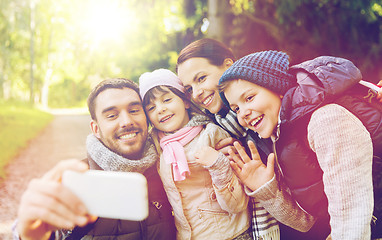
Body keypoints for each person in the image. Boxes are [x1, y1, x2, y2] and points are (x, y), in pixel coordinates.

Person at [218, 50, 382, 239]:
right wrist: (267, 190)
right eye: (236, 109)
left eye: (249, 98)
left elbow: (352, 213)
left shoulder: (326, 119)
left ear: (277, 89)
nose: (243, 113)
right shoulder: (280, 137)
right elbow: (306, 222)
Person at [176, 38, 318, 239]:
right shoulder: (216, 132)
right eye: (189, 88)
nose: (197, 93)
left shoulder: (268, 114)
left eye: (201, 78)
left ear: (228, 65)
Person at [14, 78, 176, 240]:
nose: (126, 121)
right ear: (96, 129)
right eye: (112, 115)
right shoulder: (75, 181)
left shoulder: (172, 167)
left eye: (134, 111)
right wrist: (28, 235)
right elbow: (43, 230)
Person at [138, 68, 254, 240]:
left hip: (230, 234)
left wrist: (219, 166)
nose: (160, 109)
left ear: (185, 101)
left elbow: (238, 204)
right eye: (151, 107)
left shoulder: (212, 135)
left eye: (167, 100)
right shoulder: (155, 144)